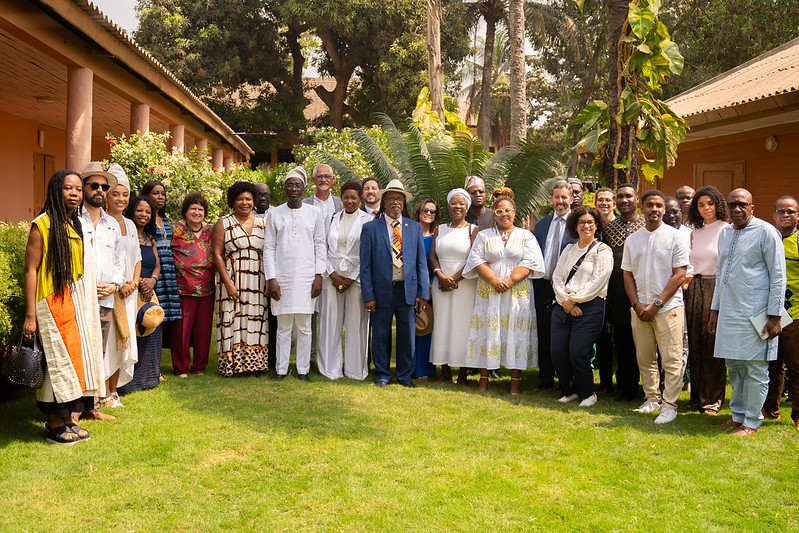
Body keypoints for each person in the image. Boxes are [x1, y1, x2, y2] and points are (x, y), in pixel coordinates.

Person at [23, 170, 103, 444]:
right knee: (56, 363)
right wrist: (30, 314)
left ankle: (70, 416)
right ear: (56, 191)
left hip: (74, 302)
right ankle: (53, 420)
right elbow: (31, 270)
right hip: (49, 302)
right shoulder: (42, 225)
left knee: (73, 362)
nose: (74, 193)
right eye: (68, 188)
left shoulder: (76, 224)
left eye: (78, 189)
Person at [710, 189, 786, 436]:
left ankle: (752, 421)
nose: (737, 209)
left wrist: (775, 316)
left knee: (755, 368)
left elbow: (778, 276)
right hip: (730, 312)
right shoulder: (725, 233)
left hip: (757, 314)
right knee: (734, 366)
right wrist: (715, 310)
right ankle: (737, 415)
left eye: (742, 204)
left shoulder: (766, 232)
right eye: (732, 204)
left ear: (752, 207)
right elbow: (721, 275)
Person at [463, 196, 545, 394]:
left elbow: (531, 262)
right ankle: (484, 379)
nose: (504, 214)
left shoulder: (526, 235)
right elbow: (476, 260)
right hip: (489, 292)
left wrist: (508, 281)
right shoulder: (484, 236)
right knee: (487, 331)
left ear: (514, 212)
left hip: (517, 292)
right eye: (499, 211)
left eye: (508, 210)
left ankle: (515, 382)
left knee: (515, 331)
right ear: (494, 214)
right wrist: (494, 280)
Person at [622, 189, 689, 424]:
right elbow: (627, 275)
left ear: (664, 209)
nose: (655, 210)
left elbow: (680, 274)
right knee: (645, 357)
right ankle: (652, 399)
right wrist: (637, 304)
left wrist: (657, 304)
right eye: (650, 205)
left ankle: (670, 404)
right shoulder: (633, 239)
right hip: (640, 309)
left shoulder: (676, 236)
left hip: (668, 308)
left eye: (659, 206)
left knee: (671, 358)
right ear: (642, 208)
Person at [360, 179, 429, 388]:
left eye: (399, 199)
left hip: (406, 291)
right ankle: (381, 374)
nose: (395, 203)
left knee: (407, 335)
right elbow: (365, 266)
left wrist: (422, 292)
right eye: (391, 199)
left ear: (403, 203)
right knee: (380, 334)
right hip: (381, 291)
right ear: (384, 202)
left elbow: (420, 263)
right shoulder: (371, 228)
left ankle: (405, 376)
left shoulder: (414, 228)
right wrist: (368, 296)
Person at [264, 167, 325, 381]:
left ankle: (302, 370)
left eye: (297, 185)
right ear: (284, 188)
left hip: (307, 278)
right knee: (283, 327)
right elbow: (269, 247)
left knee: (305, 327)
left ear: (304, 188)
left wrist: (319, 276)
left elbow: (320, 245)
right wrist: (271, 278)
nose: (293, 189)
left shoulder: (315, 213)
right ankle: (281, 370)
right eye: (290, 185)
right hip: (282, 278)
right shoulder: (274, 213)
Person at [550, 206, 612, 407]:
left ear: (596, 226)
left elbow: (598, 281)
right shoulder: (568, 249)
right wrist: (566, 303)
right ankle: (569, 391)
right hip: (563, 305)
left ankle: (587, 394)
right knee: (559, 352)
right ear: (575, 226)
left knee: (578, 351)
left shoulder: (602, 250)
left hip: (590, 307)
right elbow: (557, 277)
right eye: (582, 222)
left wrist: (575, 301)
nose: (586, 226)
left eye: (590, 222)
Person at [79, 161, 124, 421]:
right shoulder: (74, 219)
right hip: (80, 298)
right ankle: (73, 408)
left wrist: (114, 284)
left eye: (103, 186)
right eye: (94, 185)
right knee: (78, 351)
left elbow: (119, 262)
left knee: (99, 354)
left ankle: (91, 408)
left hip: (106, 299)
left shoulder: (112, 225)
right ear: (85, 187)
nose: (99, 190)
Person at [212, 181, 269, 377]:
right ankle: (233, 366)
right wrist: (228, 283)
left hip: (257, 280)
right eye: (240, 199)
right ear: (232, 202)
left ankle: (253, 365)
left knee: (255, 321)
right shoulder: (224, 222)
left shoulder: (263, 223)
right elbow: (217, 254)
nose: (244, 203)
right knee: (233, 319)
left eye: (248, 199)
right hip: (232, 278)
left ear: (254, 201)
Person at [317, 181, 372, 380]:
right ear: (341, 199)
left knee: (356, 324)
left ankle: (355, 370)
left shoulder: (367, 220)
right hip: (331, 277)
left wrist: (350, 278)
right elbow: (322, 247)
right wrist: (332, 274)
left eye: (354, 198)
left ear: (360, 199)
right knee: (330, 321)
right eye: (346, 197)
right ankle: (330, 369)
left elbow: (368, 253)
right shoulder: (331, 218)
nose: (350, 201)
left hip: (356, 279)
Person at [685, 186, 729, 415]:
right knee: (695, 344)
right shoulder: (695, 232)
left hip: (717, 287)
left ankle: (712, 400)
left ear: (718, 205)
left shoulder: (727, 230)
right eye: (701, 205)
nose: (706, 208)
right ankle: (696, 397)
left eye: (710, 204)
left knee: (713, 345)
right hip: (696, 287)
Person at [599, 183, 645, 400]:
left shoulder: (648, 226)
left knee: (646, 344)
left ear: (637, 199)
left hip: (645, 293)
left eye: (629, 196)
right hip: (618, 296)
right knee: (624, 343)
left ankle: (652, 388)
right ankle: (627, 387)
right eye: (620, 197)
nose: (624, 200)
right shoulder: (609, 229)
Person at [429, 188, 479, 384]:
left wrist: (455, 279)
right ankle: (445, 370)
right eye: (453, 203)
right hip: (440, 284)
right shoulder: (440, 229)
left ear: (467, 207)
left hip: (465, 284)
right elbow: (433, 255)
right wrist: (440, 275)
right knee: (442, 325)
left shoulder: (472, 230)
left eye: (461, 203)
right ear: (448, 207)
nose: (457, 206)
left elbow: (474, 258)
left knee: (462, 326)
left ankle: (463, 372)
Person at [532, 179, 577, 391]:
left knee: (566, 335)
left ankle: (567, 380)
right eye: (557, 197)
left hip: (568, 289)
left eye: (564, 198)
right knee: (544, 333)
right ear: (552, 199)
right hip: (542, 286)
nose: (560, 201)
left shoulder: (577, 225)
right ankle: (545, 380)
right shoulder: (540, 225)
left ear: (571, 199)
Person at [103, 164, 141, 407]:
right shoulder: (104, 222)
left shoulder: (131, 223)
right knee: (109, 344)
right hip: (110, 293)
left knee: (124, 342)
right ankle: (103, 392)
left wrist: (134, 283)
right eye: (115, 193)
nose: (120, 198)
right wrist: (119, 286)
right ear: (106, 195)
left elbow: (137, 258)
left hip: (128, 294)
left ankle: (113, 390)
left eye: (125, 194)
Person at [117, 197, 163, 394]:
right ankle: (128, 380)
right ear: (131, 211)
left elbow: (157, 265)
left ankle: (148, 377)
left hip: (148, 292)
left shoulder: (150, 239)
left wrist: (152, 280)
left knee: (150, 330)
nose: (144, 214)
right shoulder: (123, 234)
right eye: (139, 210)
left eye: (148, 212)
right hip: (129, 290)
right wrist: (138, 282)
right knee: (132, 334)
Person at [763, 196, 799, 430]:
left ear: (798, 215)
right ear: (774, 215)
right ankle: (770, 410)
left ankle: (798, 416)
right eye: (781, 211)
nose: (785, 215)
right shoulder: (768, 239)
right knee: (771, 365)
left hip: (795, 312)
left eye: (791, 211)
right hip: (767, 313)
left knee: (796, 366)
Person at [170, 193, 214, 378]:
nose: (196, 212)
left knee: (203, 331)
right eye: (193, 209)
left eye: (200, 209)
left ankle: (199, 367)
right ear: (185, 211)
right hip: (183, 287)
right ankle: (181, 368)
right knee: (181, 330)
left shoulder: (212, 229)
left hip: (207, 287)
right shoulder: (174, 229)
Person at [142, 180, 182, 359]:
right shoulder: (144, 218)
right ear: (146, 196)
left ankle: (156, 363)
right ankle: (147, 362)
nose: (161, 197)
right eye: (156, 193)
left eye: (163, 194)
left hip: (168, 271)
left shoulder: (164, 220)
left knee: (162, 318)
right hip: (153, 271)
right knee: (150, 314)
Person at [412, 198, 439, 379]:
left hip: (431, 289)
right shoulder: (408, 233)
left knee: (426, 326)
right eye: (425, 210)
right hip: (409, 288)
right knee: (410, 329)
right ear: (419, 211)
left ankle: (425, 370)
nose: (428, 213)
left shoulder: (438, 236)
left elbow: (438, 263)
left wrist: (428, 287)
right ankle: (409, 368)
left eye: (432, 211)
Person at [254, 181, 277, 370]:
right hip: (252, 274)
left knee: (274, 318)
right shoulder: (245, 216)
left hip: (274, 273)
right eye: (259, 195)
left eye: (266, 195)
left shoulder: (277, 214)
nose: (262, 198)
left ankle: (273, 358)